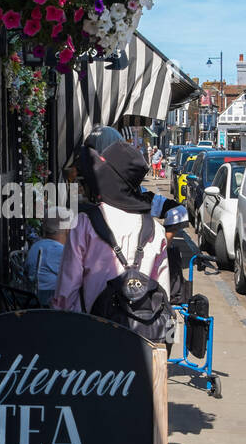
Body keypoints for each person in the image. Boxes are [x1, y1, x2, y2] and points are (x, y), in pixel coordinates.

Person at [52, 136, 173, 333]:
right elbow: (163, 293)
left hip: (89, 332)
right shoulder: (154, 230)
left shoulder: (85, 224)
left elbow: (66, 291)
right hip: (139, 337)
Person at [25, 215, 69, 307]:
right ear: (66, 230)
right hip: (47, 302)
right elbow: (75, 277)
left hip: (32, 298)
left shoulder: (36, 245)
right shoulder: (57, 249)